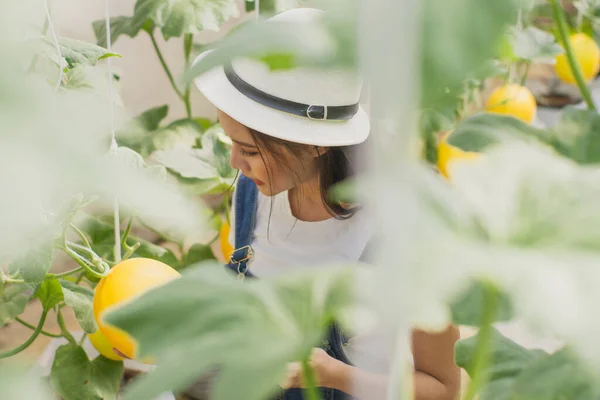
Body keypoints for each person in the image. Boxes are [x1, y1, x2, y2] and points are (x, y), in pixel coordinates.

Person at [193, 7, 460, 400]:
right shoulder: (252, 195)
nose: (234, 163)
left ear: (317, 143)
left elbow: (443, 388)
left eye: (248, 149)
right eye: (230, 142)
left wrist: (333, 374)